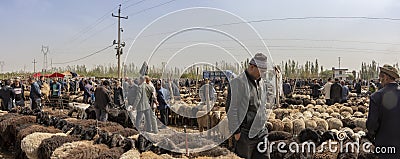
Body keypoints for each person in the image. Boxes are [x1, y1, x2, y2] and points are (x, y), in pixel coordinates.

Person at [227, 53, 269, 159]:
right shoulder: (238, 83)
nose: (263, 74)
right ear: (252, 67)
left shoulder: (261, 83)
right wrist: (237, 133)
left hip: (261, 132)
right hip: (245, 134)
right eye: (261, 71)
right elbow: (231, 109)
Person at [367, 64, 400, 158]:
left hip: (385, 144)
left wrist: (372, 134)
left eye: (380, 77)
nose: (379, 80)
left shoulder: (376, 96)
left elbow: (372, 125)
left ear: (385, 77)